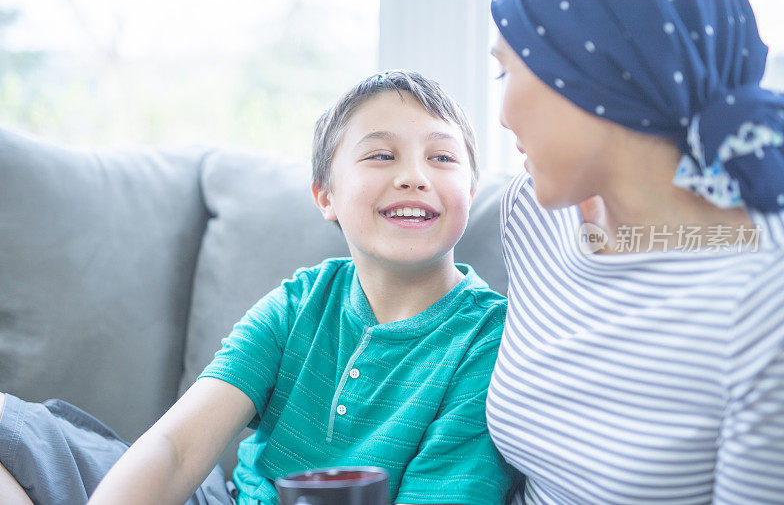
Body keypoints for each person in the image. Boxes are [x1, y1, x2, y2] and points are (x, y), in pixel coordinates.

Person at [0, 69, 517, 505]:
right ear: (325, 196)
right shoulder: (297, 305)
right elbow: (175, 452)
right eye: (381, 156)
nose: (414, 176)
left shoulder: (489, 340)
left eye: (442, 158)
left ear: (470, 192)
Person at [485, 0, 784, 503]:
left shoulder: (775, 291)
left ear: (595, 74)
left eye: (504, 72)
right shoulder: (533, 216)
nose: (501, 115)